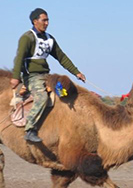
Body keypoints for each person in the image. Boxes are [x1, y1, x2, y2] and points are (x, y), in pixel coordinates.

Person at [10, 8, 86, 144]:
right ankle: (30, 129)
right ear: (35, 21)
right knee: (42, 97)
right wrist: (16, 77)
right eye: (44, 20)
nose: (47, 23)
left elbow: (61, 57)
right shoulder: (27, 37)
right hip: (31, 77)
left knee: (63, 92)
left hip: (46, 76)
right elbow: (19, 58)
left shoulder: (50, 39)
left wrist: (76, 72)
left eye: (47, 20)